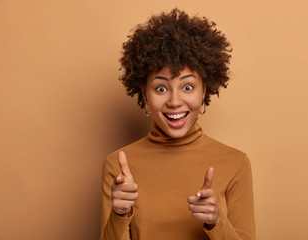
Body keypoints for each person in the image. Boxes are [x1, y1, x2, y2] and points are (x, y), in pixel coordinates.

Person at [100, 8, 255, 240]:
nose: (174, 101)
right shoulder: (118, 166)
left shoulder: (236, 163)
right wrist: (119, 214)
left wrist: (216, 222)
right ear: (144, 93)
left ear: (205, 90)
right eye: (161, 88)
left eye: (188, 87)